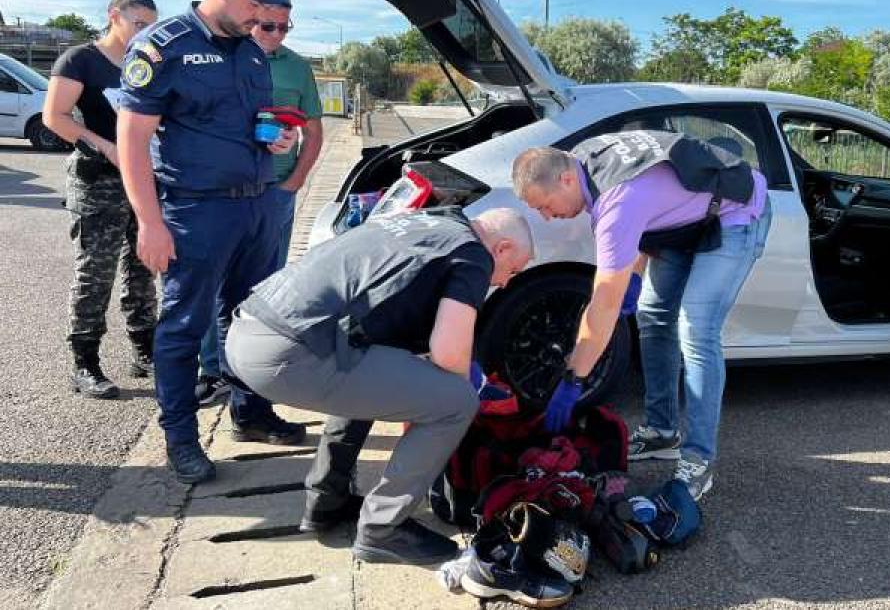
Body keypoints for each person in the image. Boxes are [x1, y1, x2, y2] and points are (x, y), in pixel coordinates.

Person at [226, 207, 533, 564]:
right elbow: (449, 355)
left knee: (377, 370)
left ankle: (327, 500)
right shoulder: (474, 254)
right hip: (287, 351)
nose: (507, 282)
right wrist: (469, 387)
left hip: (249, 328)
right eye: (513, 270)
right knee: (456, 402)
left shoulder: (432, 219)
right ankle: (383, 529)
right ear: (502, 247)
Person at [116, 0, 304, 484]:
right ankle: (180, 438)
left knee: (253, 319)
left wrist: (277, 139)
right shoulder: (164, 46)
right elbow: (131, 141)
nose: (260, 16)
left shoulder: (251, 52)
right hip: (194, 209)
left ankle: (250, 412)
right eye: (253, 2)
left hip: (256, 205)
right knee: (184, 325)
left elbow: (253, 126)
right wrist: (150, 222)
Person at [511, 130, 772, 500]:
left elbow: (602, 303)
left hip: (736, 211)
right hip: (687, 220)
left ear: (566, 179)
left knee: (696, 329)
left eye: (544, 205)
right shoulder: (584, 157)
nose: (547, 217)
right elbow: (654, 198)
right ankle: (662, 432)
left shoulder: (615, 203)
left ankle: (699, 460)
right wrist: (632, 272)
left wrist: (574, 378)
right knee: (652, 315)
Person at [196, 0, 324, 404]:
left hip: (275, 194)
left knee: (264, 289)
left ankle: (250, 381)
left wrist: (295, 181)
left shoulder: (297, 69)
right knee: (216, 286)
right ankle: (212, 370)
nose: (275, 34)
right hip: (225, 194)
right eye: (267, 25)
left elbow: (314, 129)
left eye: (284, 28)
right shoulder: (220, 60)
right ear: (251, 19)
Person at [44, 0, 159, 399]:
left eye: (151, 26)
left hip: (142, 179)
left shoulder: (145, 61)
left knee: (143, 269)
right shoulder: (82, 60)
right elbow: (54, 117)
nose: (144, 32)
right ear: (115, 16)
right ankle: (84, 362)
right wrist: (106, 145)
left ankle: (145, 351)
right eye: (138, 23)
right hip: (99, 180)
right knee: (96, 273)